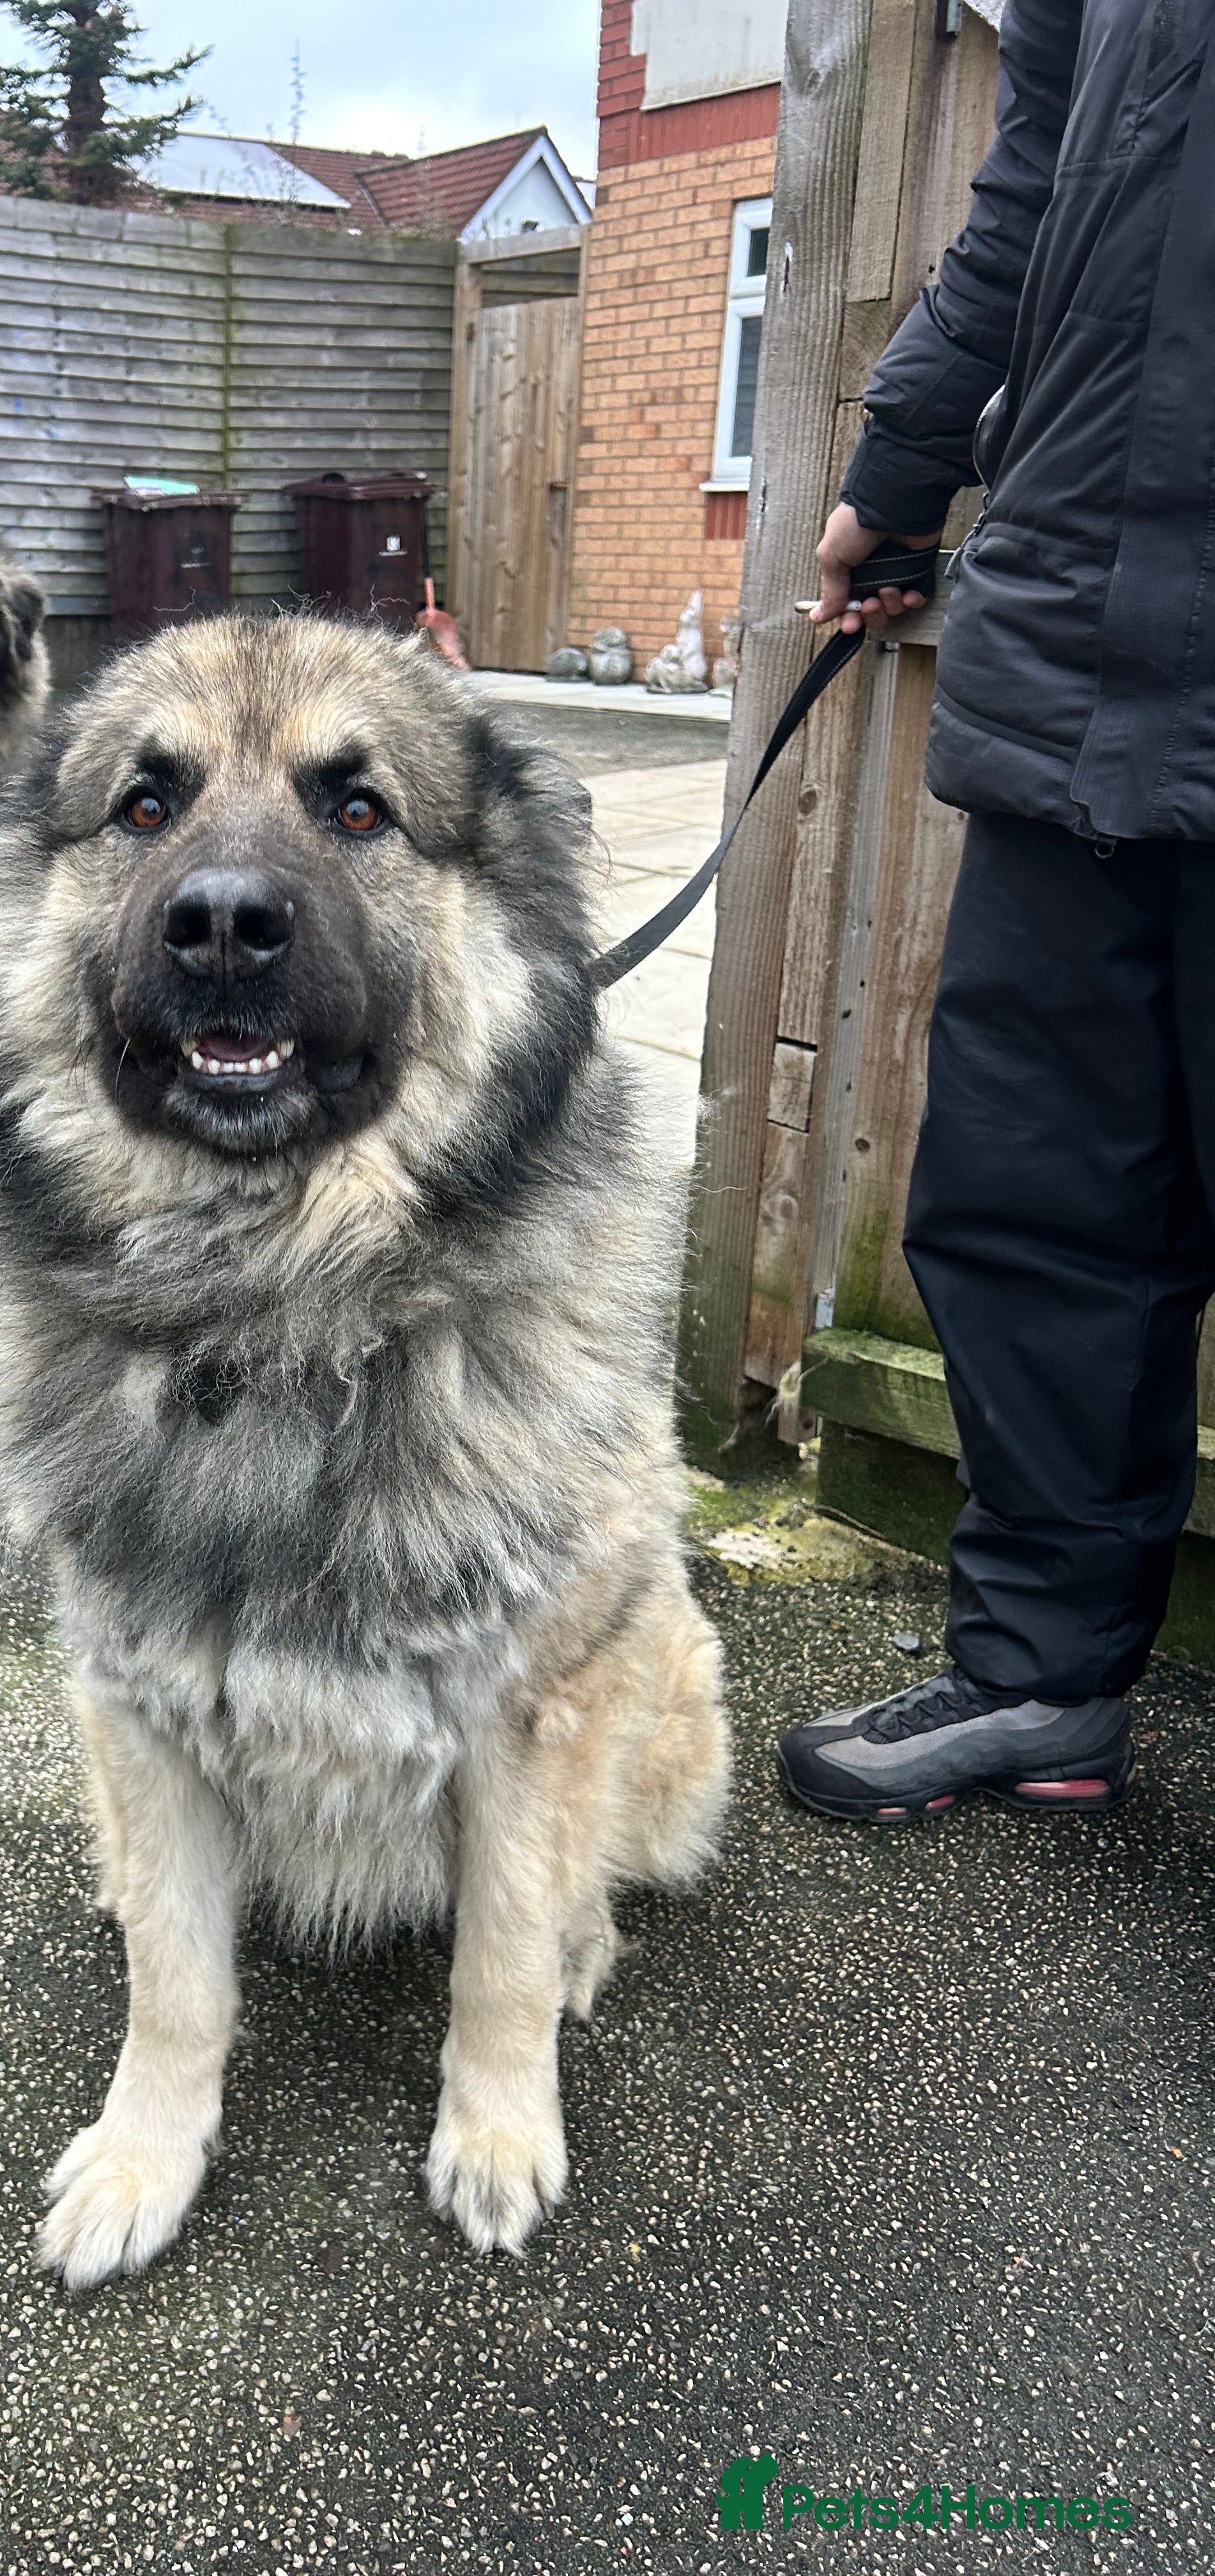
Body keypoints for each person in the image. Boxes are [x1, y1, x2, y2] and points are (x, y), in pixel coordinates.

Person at [778, 0, 1215, 1823]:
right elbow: (1030, 191)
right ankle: (1042, 1681)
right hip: (1073, 649)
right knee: (1038, 1206)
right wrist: (899, 469)